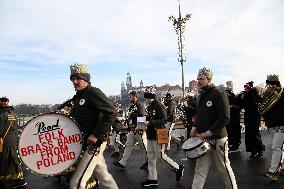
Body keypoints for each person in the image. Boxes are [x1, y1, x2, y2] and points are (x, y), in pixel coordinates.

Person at [68, 63, 118, 189]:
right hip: (86, 142)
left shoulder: (92, 92)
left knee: (77, 183)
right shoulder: (80, 97)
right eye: (72, 79)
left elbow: (112, 111)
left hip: (94, 143)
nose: (74, 82)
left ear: (86, 79)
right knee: (104, 177)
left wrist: (96, 134)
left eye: (78, 78)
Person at [189, 68, 238, 189]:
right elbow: (200, 115)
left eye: (202, 79)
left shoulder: (218, 94)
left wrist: (209, 132)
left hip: (218, 138)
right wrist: (194, 127)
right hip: (203, 139)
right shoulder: (202, 95)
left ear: (209, 79)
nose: (199, 81)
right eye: (198, 79)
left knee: (223, 168)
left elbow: (225, 117)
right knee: (200, 169)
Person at [141, 86, 184, 187]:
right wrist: (141, 125)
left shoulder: (159, 106)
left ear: (151, 97)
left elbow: (163, 119)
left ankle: (178, 167)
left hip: (159, 133)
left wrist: (149, 122)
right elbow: (146, 118)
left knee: (160, 155)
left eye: (147, 98)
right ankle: (152, 179)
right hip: (150, 134)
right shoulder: (150, 106)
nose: (146, 100)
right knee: (150, 157)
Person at [259, 74, 284, 181]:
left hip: (281, 124)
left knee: (276, 147)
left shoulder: (282, 93)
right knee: (280, 147)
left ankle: (273, 172)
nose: (267, 86)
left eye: (269, 84)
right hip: (271, 124)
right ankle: (282, 168)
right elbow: (261, 108)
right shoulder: (266, 95)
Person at [113, 91, 148, 169]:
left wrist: (141, 129)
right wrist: (128, 120)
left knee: (144, 147)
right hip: (132, 130)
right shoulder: (132, 106)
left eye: (130, 96)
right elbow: (131, 116)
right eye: (129, 96)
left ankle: (150, 161)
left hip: (138, 130)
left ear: (135, 96)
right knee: (128, 145)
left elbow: (142, 115)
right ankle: (122, 162)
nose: (129, 98)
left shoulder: (139, 105)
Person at [0, 97, 27, 189]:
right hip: (13, 140)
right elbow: (16, 128)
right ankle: (19, 178)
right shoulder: (14, 115)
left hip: (6, 140)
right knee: (13, 157)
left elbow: (0, 131)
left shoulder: (2, 115)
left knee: (6, 159)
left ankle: (9, 181)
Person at [240, 81, 265, 158]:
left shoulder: (256, 96)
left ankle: (259, 150)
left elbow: (259, 104)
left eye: (246, 87)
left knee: (255, 135)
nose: (245, 89)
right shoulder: (245, 95)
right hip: (248, 117)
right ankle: (252, 151)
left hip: (255, 118)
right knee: (248, 136)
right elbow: (241, 104)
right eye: (244, 87)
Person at [224, 88, 242, 152]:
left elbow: (239, 107)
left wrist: (232, 106)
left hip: (235, 118)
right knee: (229, 131)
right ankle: (230, 144)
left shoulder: (235, 98)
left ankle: (235, 145)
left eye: (226, 92)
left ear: (229, 92)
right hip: (229, 118)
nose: (225, 93)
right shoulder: (226, 99)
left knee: (235, 131)